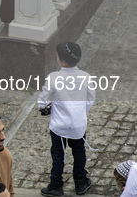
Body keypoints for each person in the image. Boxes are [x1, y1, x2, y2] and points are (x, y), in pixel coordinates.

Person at [38, 42, 94, 196]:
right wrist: (81, 113)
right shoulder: (86, 77)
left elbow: (42, 100)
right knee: (79, 152)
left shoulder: (54, 78)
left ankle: (56, 185)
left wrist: (45, 107)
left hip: (59, 126)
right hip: (78, 124)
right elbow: (90, 100)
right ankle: (81, 182)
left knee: (58, 154)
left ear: (62, 61)